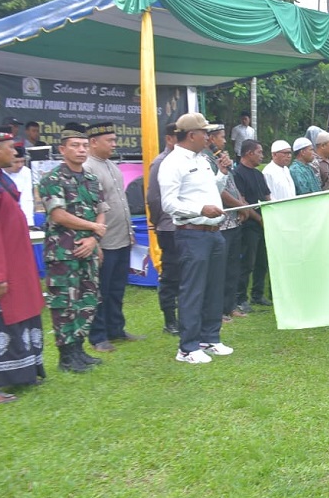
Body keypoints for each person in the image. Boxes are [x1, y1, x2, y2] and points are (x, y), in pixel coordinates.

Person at [157, 113, 234, 364]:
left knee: (214, 288)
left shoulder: (202, 159)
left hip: (213, 233)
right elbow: (169, 204)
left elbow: (212, 191)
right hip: (192, 233)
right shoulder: (172, 163)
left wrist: (222, 173)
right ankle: (187, 347)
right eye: (205, 133)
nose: (208, 137)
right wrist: (200, 211)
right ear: (192, 135)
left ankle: (210, 337)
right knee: (193, 289)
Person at [39, 123, 107, 373]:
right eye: (75, 146)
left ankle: (79, 349)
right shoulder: (52, 179)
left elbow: (102, 212)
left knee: (87, 299)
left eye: (84, 146)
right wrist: (93, 227)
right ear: (62, 149)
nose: (81, 150)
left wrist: (94, 239)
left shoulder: (91, 179)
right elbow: (58, 215)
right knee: (64, 303)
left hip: (88, 250)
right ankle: (66, 356)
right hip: (63, 253)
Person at [0, 128, 46, 402]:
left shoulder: (1, 178)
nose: (16, 152)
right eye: (10, 147)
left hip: (17, 262)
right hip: (2, 267)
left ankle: (23, 372)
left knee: (22, 313)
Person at [83, 122, 143, 353]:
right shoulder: (88, 168)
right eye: (110, 141)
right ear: (94, 143)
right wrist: (95, 241)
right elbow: (90, 207)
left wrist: (129, 232)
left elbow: (122, 203)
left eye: (115, 140)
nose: (114, 144)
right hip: (104, 242)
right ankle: (98, 336)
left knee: (117, 288)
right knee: (101, 290)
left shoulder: (113, 167)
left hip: (121, 238)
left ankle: (116, 329)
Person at [203, 124, 246, 322]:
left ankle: (230, 306)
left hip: (234, 221)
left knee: (232, 266)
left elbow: (233, 183)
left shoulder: (223, 157)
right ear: (210, 139)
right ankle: (217, 310)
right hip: (220, 221)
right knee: (218, 269)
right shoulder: (206, 160)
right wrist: (239, 206)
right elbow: (219, 191)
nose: (225, 140)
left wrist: (243, 203)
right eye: (221, 136)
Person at [147, 123, 182, 334]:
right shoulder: (161, 162)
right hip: (169, 226)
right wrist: (160, 221)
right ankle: (170, 319)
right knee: (171, 273)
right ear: (169, 139)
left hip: (185, 225)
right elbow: (153, 197)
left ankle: (183, 315)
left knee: (184, 273)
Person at [232, 139, 272, 308]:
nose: (262, 156)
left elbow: (267, 197)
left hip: (264, 222)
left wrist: (269, 217)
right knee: (248, 261)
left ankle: (258, 293)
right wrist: (259, 219)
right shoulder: (238, 174)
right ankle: (241, 298)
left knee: (263, 260)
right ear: (249, 153)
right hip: (249, 224)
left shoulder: (258, 174)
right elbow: (243, 202)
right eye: (259, 152)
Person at [5, 142, 34, 226]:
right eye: (16, 162)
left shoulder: (26, 172)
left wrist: (28, 223)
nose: (20, 165)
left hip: (18, 216)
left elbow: (26, 198)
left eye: (22, 161)